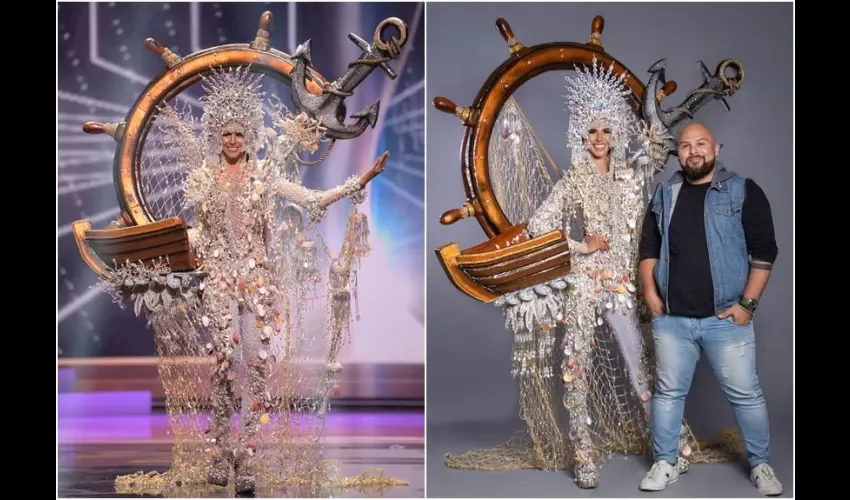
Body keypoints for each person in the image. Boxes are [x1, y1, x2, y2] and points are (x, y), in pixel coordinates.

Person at [162, 66, 387, 494]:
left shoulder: (265, 178)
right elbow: (197, 232)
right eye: (225, 134)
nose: (232, 141)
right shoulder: (203, 180)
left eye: (239, 134)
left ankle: (246, 456)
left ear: (248, 138)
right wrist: (162, 243)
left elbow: (310, 199)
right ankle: (219, 453)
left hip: (257, 285)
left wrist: (360, 181)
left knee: (256, 365)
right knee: (224, 367)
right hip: (218, 285)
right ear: (217, 137)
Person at [507, 56, 675, 488]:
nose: (599, 138)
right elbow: (538, 229)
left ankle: (666, 450)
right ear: (580, 136)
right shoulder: (574, 180)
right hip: (585, 282)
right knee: (576, 366)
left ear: (615, 132)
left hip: (622, 285)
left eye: (606, 130)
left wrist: (652, 111)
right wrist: (582, 245)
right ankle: (583, 455)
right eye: (591, 131)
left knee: (640, 369)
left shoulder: (632, 175)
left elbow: (658, 149)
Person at [637, 122, 783, 496]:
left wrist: (747, 305)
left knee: (746, 393)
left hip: (725, 319)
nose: (693, 151)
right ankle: (666, 462)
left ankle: (761, 464)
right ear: (678, 153)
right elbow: (648, 249)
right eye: (685, 146)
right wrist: (652, 297)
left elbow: (765, 251)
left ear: (716, 148)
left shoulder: (743, 190)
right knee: (668, 393)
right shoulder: (666, 193)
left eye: (701, 144)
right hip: (672, 320)